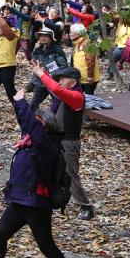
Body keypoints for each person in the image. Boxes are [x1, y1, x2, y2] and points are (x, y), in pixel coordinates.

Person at [0, 86, 70, 258]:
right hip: (19, 200)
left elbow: (30, 125)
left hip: (36, 204)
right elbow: (26, 123)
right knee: (0, 234)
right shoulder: (29, 141)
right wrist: (17, 103)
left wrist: (23, 102)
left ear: (45, 126)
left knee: (45, 244)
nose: (30, 126)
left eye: (36, 122)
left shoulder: (47, 145)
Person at [29, 63, 94, 220]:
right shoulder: (65, 93)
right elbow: (55, 88)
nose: (59, 82)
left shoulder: (77, 97)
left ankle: (85, 206)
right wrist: (43, 71)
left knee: (70, 174)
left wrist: (40, 74)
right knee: (44, 167)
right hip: (55, 139)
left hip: (69, 142)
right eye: (58, 79)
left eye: (62, 79)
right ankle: (44, 198)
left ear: (73, 82)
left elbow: (56, 89)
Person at [28, 27, 69, 110]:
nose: (42, 38)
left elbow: (63, 67)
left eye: (45, 36)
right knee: (33, 105)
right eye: (41, 36)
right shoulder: (37, 51)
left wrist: (54, 76)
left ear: (51, 37)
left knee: (58, 104)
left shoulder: (56, 50)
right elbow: (36, 68)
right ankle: (29, 121)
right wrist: (33, 82)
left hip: (54, 82)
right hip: (41, 82)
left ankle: (60, 121)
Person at [69, 24, 99, 96]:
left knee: (89, 97)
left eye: (72, 32)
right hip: (80, 77)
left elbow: (91, 61)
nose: (70, 34)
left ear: (79, 34)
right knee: (78, 96)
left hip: (87, 78)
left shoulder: (87, 44)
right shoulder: (77, 43)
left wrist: (90, 76)